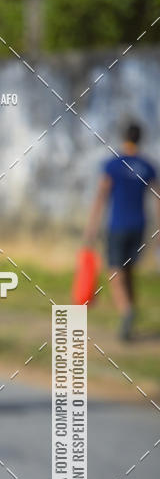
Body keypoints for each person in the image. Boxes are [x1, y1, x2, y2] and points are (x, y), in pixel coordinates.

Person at [84, 122, 160, 341]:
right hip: (140, 226)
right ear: (140, 138)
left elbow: (101, 197)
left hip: (117, 225)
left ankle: (127, 312)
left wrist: (91, 228)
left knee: (115, 272)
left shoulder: (113, 165)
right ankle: (131, 313)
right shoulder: (148, 166)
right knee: (128, 271)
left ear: (124, 137)